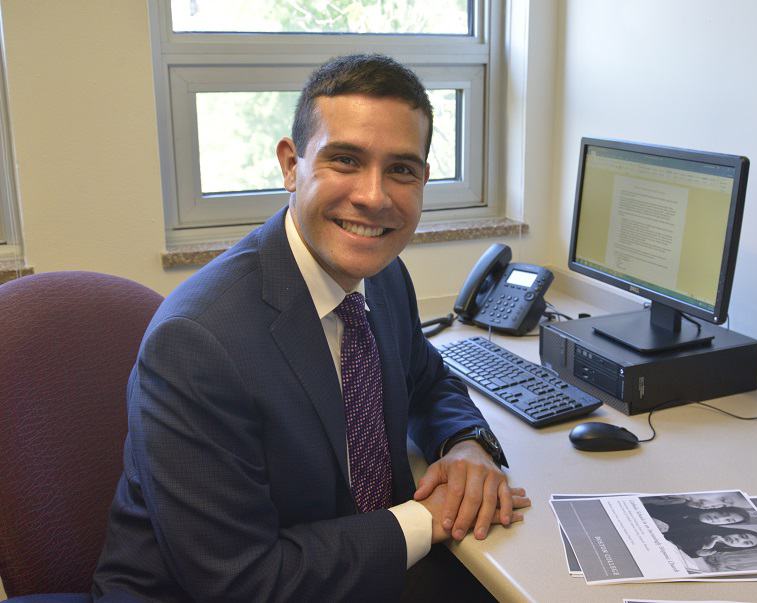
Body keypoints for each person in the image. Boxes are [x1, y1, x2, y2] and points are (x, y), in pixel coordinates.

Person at [92, 54, 529, 601]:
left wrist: (466, 446)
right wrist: (427, 518)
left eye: (401, 169)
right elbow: (241, 581)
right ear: (290, 165)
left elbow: (427, 380)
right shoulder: (195, 342)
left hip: (348, 566)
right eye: (345, 160)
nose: (374, 197)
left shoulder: (383, 276)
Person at [663, 525, 757, 559]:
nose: (738, 540)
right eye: (742, 536)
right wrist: (704, 545)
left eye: (745, 543)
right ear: (736, 532)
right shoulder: (706, 527)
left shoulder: (716, 548)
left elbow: (676, 554)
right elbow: (671, 539)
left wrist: (696, 554)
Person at [644, 504, 751, 533]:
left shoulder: (704, 531)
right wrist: (650, 519)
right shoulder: (684, 505)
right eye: (723, 513)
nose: (719, 518)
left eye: (728, 520)